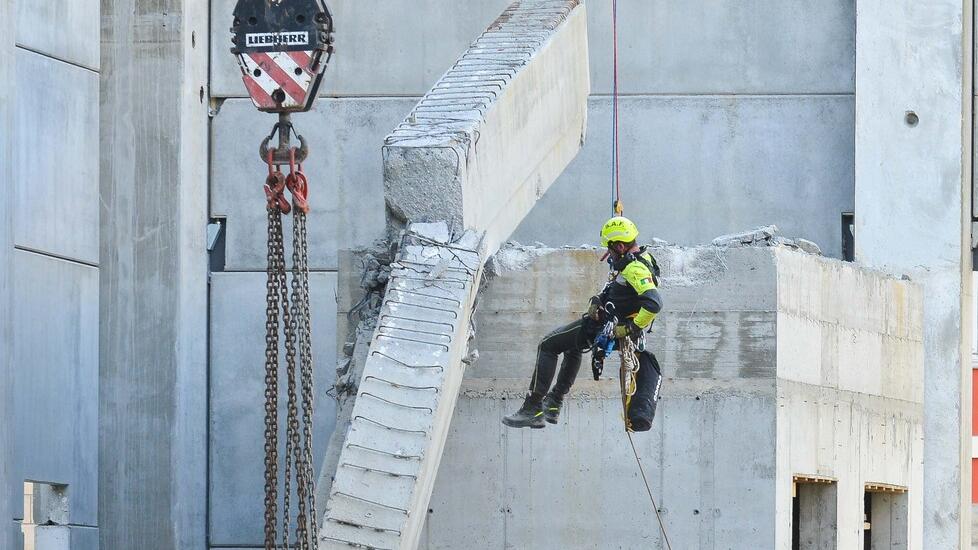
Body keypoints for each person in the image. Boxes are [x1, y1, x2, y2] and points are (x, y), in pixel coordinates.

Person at [502, 216, 664, 432]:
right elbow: (623, 290)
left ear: (620, 246)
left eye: (610, 248)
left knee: (548, 345)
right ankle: (553, 404)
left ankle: (533, 408)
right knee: (572, 347)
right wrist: (600, 299)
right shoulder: (642, 257)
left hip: (606, 327)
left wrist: (629, 328)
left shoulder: (634, 268)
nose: (609, 254)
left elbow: (654, 303)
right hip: (609, 323)